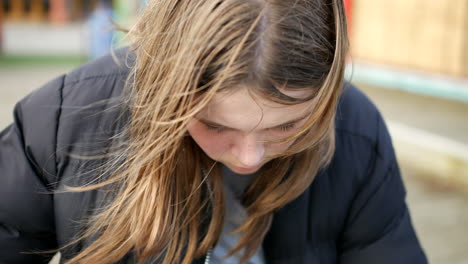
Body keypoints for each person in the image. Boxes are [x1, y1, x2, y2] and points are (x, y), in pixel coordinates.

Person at [0, 0, 428, 263]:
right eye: (214, 125)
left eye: (289, 126)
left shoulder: (356, 131)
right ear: (165, 90)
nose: (248, 157)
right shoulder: (61, 121)